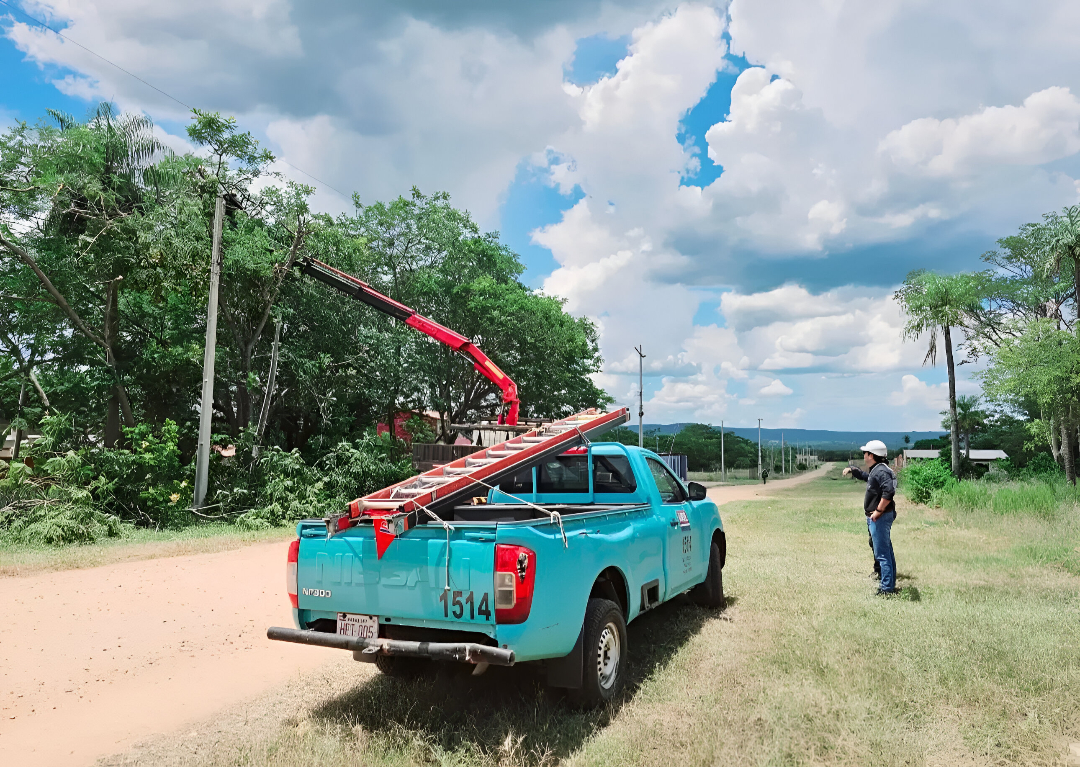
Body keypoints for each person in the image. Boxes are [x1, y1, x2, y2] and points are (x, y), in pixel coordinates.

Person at [842, 440, 898, 595]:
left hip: (879, 517)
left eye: (865, 453)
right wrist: (853, 470)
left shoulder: (881, 471)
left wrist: (878, 511)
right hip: (878, 516)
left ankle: (887, 589)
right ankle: (889, 584)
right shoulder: (878, 469)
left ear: (872, 455)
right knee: (885, 550)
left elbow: (889, 492)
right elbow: (868, 478)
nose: (864, 455)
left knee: (882, 553)